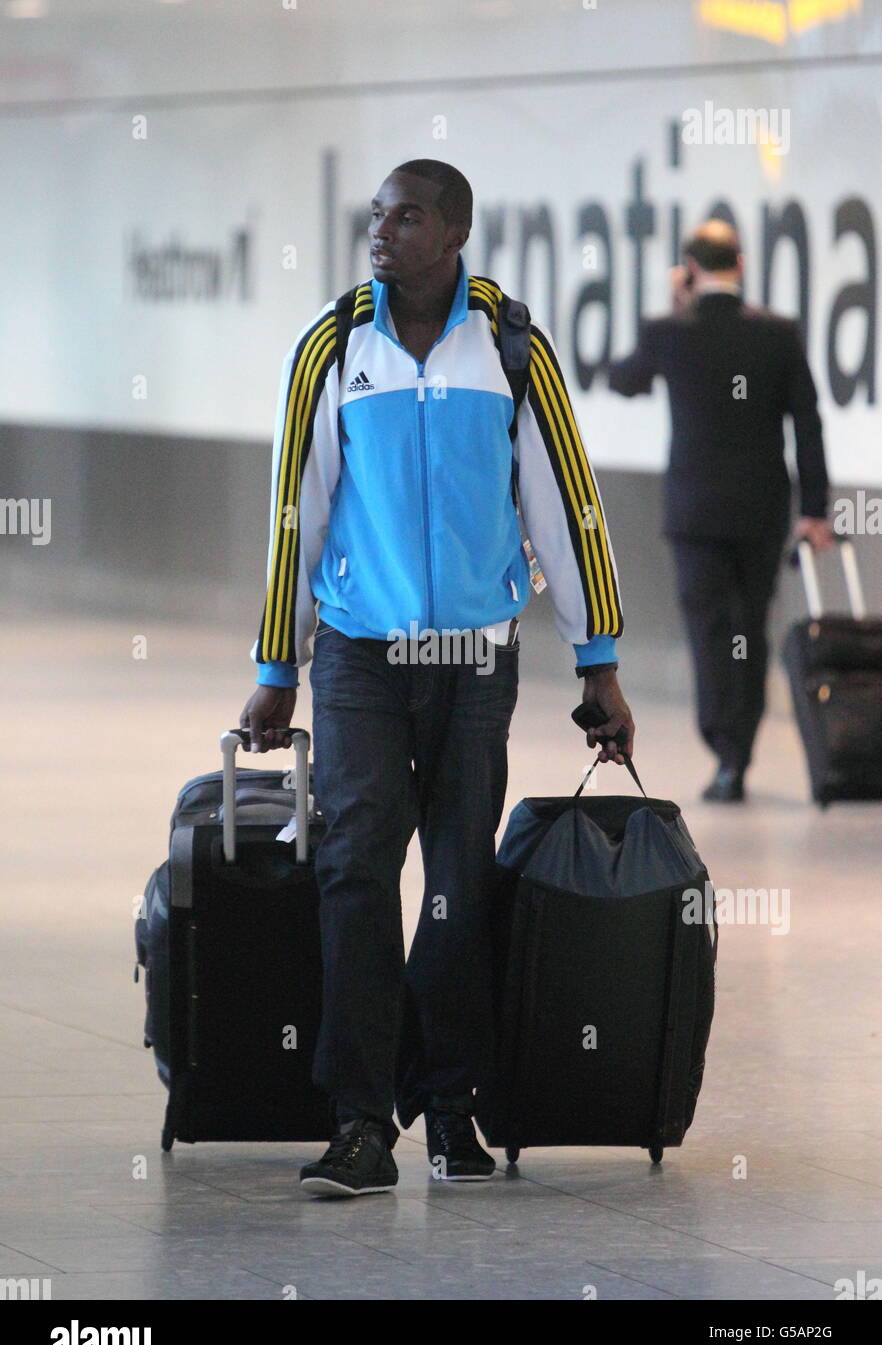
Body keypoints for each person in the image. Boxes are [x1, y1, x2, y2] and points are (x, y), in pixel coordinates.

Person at [240, 159, 633, 1197]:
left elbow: (570, 507)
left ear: (454, 231)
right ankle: (363, 1119)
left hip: (474, 661)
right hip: (364, 656)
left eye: (406, 216)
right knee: (356, 869)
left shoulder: (511, 351)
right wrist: (279, 663)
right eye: (376, 215)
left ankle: (454, 1103)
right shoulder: (334, 348)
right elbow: (297, 510)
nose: (383, 231)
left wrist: (599, 660)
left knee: (459, 879)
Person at [608, 220, 833, 802]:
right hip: (761, 509)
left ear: (689, 267)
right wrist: (814, 509)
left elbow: (624, 380)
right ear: (742, 263)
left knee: (709, 631)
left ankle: (723, 749)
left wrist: (671, 305)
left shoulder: (669, 330)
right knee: (748, 629)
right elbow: (807, 422)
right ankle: (739, 752)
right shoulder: (778, 334)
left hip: (695, 513)